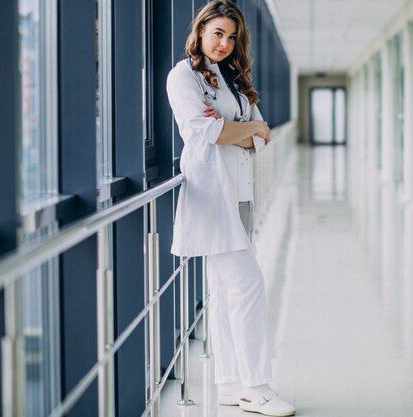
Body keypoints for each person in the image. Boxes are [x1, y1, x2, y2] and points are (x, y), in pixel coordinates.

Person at [165, 1, 295, 416]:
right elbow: (206, 132)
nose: (224, 43)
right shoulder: (182, 77)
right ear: (200, 30)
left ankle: (229, 383)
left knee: (224, 293)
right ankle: (257, 387)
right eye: (217, 33)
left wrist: (244, 130)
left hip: (238, 196)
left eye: (231, 36)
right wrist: (245, 128)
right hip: (211, 198)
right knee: (248, 285)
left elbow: (260, 137)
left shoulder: (232, 79)